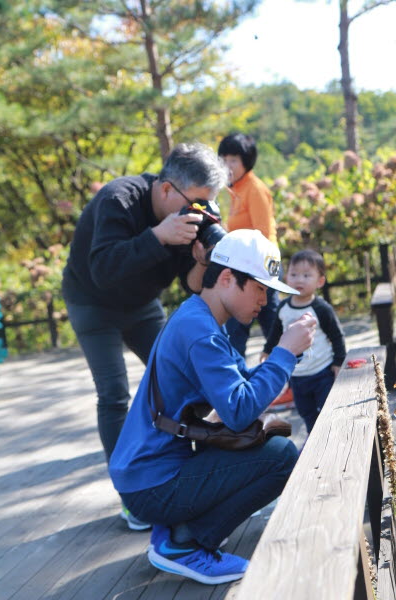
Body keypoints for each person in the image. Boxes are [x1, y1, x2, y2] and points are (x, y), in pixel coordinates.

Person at [109, 229, 317, 585]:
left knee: (274, 444)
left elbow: (243, 379)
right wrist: (283, 353)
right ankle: (184, 544)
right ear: (226, 278)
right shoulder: (201, 331)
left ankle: (178, 530)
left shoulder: (198, 316)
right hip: (152, 482)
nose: (264, 302)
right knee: (280, 456)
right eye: (260, 288)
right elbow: (238, 409)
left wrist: (285, 353)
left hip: (148, 472)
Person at [62, 142, 228, 528]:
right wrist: (158, 236)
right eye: (196, 203)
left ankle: (194, 473)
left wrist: (202, 262)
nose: (199, 213)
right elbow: (103, 268)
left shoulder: (187, 218)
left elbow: (190, 285)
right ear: (167, 188)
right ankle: (130, 494)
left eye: (207, 205)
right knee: (114, 394)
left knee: (184, 374)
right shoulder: (118, 198)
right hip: (92, 302)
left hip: (141, 306)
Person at [262, 249, 346, 435]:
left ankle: (332, 438)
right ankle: (312, 440)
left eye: (307, 275)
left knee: (327, 410)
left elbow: (336, 336)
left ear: (320, 281)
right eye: (293, 274)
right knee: (306, 413)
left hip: (322, 371)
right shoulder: (283, 308)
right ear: (286, 277)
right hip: (297, 376)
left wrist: (339, 362)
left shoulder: (321, 308)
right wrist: (267, 351)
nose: (299, 280)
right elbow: (275, 333)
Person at [218, 133, 279, 356]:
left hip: (261, 267)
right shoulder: (235, 189)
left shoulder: (255, 188)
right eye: (223, 160)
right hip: (243, 267)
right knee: (237, 333)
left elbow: (263, 234)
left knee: (274, 330)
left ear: (246, 160)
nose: (227, 166)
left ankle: (298, 384)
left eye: (233, 160)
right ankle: (236, 382)